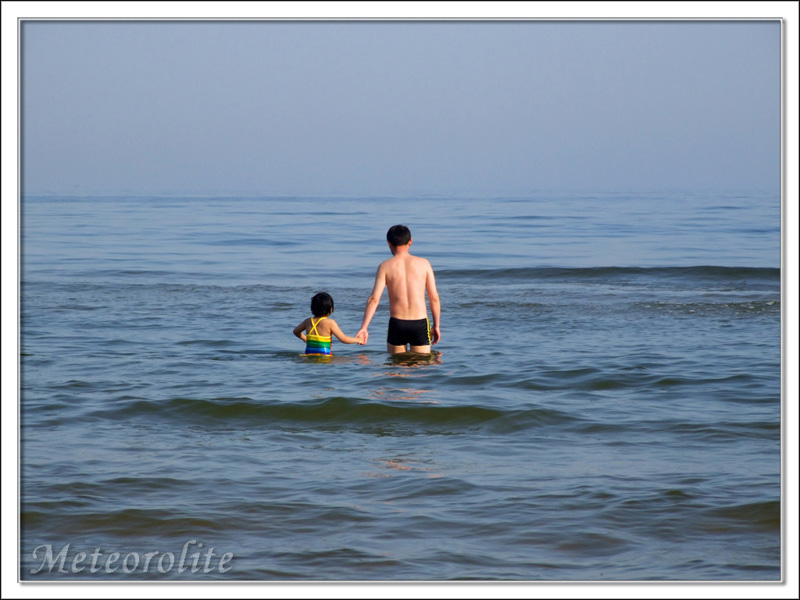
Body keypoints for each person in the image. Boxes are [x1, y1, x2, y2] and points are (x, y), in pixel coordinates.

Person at [356, 225, 441, 354]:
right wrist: (436, 325)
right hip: (419, 323)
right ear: (410, 241)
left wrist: (364, 327)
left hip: (397, 323)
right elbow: (434, 298)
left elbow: (374, 300)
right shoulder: (424, 264)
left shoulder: (385, 266)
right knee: (421, 369)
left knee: (395, 369)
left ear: (388, 243)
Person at [293, 292, 362, 355]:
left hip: (308, 355)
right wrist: (358, 340)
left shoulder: (308, 321)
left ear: (312, 308)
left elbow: (295, 331)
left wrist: (305, 338)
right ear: (331, 309)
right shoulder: (330, 323)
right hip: (324, 357)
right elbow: (344, 339)